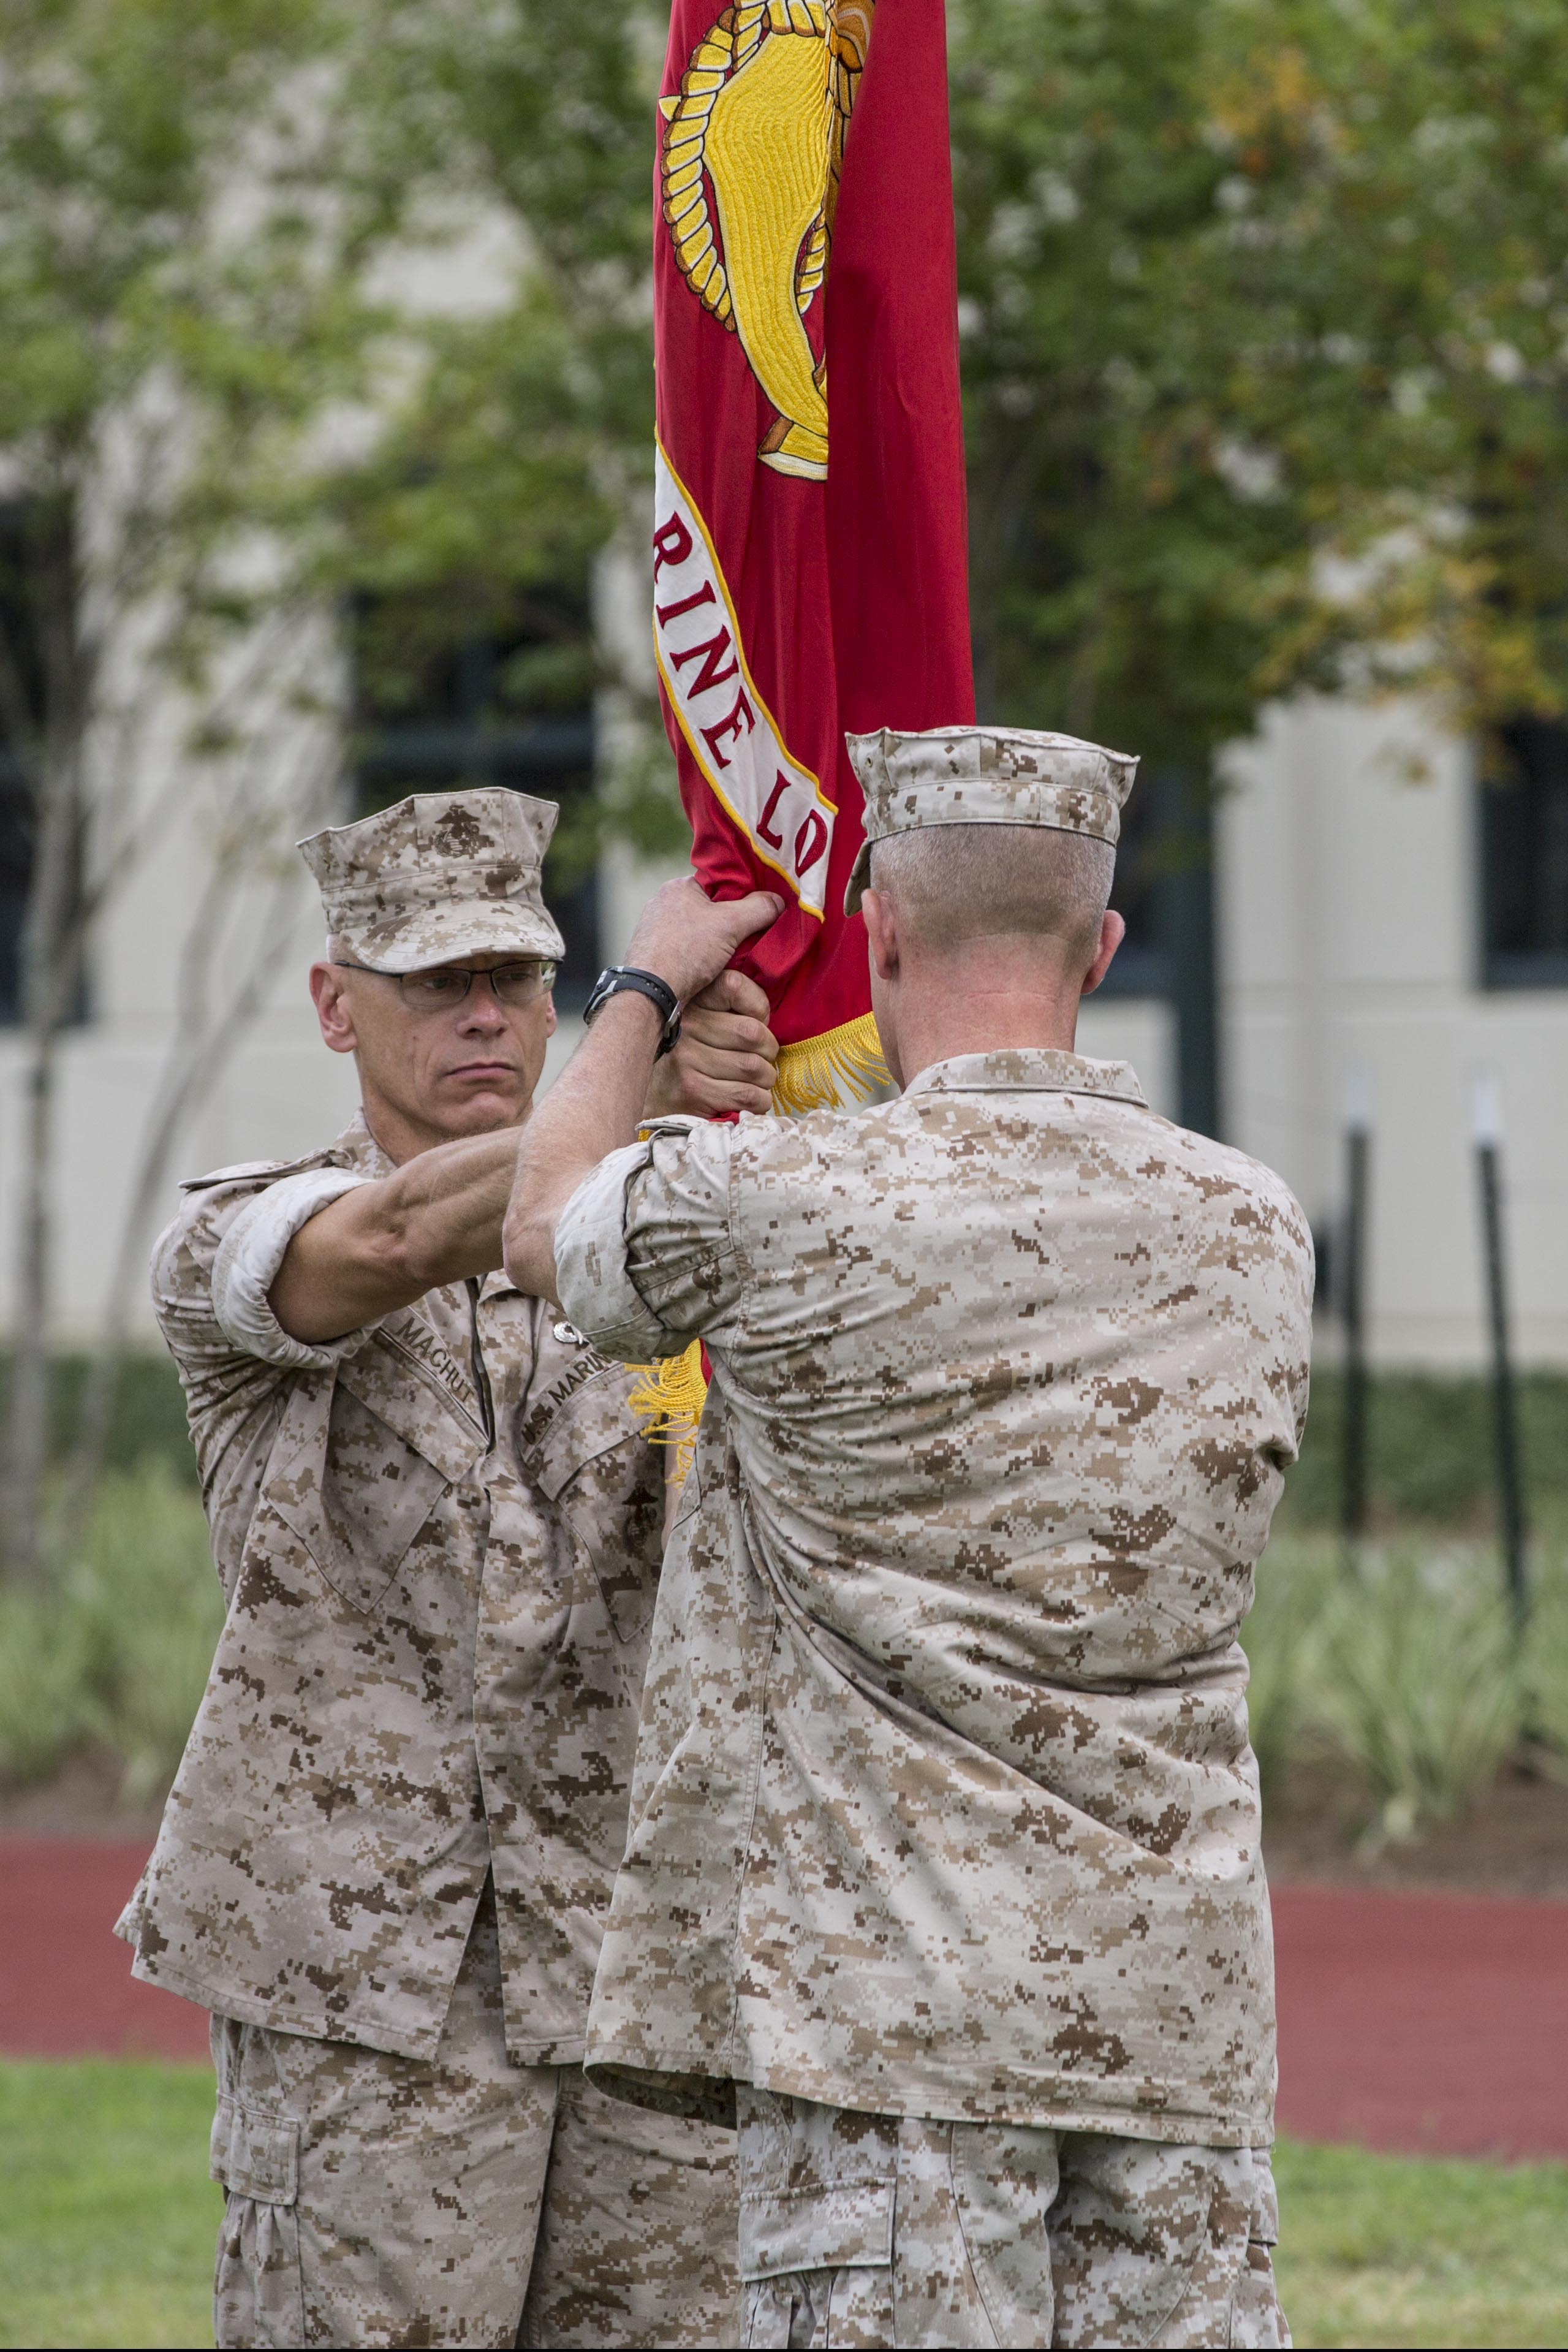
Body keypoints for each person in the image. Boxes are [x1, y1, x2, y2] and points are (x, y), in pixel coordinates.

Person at [502, 726, 1316, 2350]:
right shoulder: (1255, 1222)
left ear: (873, 936)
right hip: (1175, 2015)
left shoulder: (779, 1202)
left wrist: (644, 987)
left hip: (891, 2028)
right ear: (1100, 946)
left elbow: (542, 1225)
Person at [120, 786, 783, 2350]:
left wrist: (713, 1105)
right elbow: (404, 1237)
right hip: (369, 1992)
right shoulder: (240, 1232)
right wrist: (644, 1042)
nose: (485, 1018)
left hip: (637, 1954)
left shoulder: (656, 1215)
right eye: (436, 983)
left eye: (519, 981)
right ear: (336, 1003)